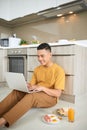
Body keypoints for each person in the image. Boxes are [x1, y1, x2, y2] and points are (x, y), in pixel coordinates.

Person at [0, 43, 65, 127]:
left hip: (50, 97)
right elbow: (32, 85)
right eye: (38, 56)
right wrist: (27, 85)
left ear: (50, 55)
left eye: (42, 56)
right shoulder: (37, 69)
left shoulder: (59, 70)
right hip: (37, 92)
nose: (40, 59)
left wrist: (42, 88)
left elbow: (57, 93)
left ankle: (3, 121)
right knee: (17, 91)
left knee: (31, 97)